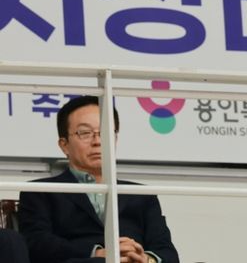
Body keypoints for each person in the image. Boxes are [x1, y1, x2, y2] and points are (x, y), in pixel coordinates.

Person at [18, 96, 179, 263]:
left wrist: (146, 259)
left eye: (105, 132)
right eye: (85, 133)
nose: (97, 142)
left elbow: (167, 252)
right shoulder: (41, 191)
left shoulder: (142, 195)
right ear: (64, 145)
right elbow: (36, 243)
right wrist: (98, 254)